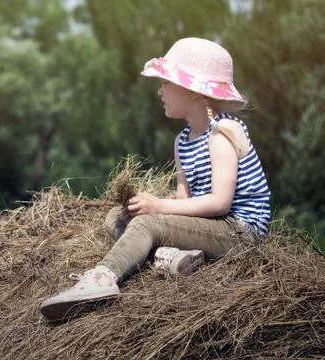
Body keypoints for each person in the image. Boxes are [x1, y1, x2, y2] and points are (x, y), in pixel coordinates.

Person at [40, 37, 271, 321]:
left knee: (148, 222)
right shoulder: (183, 140)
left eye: (166, 83)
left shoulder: (223, 131)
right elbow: (183, 201)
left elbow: (220, 203)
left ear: (195, 91)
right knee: (116, 217)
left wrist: (157, 208)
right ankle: (168, 257)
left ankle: (102, 279)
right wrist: (145, 206)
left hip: (240, 232)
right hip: (212, 226)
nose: (160, 91)